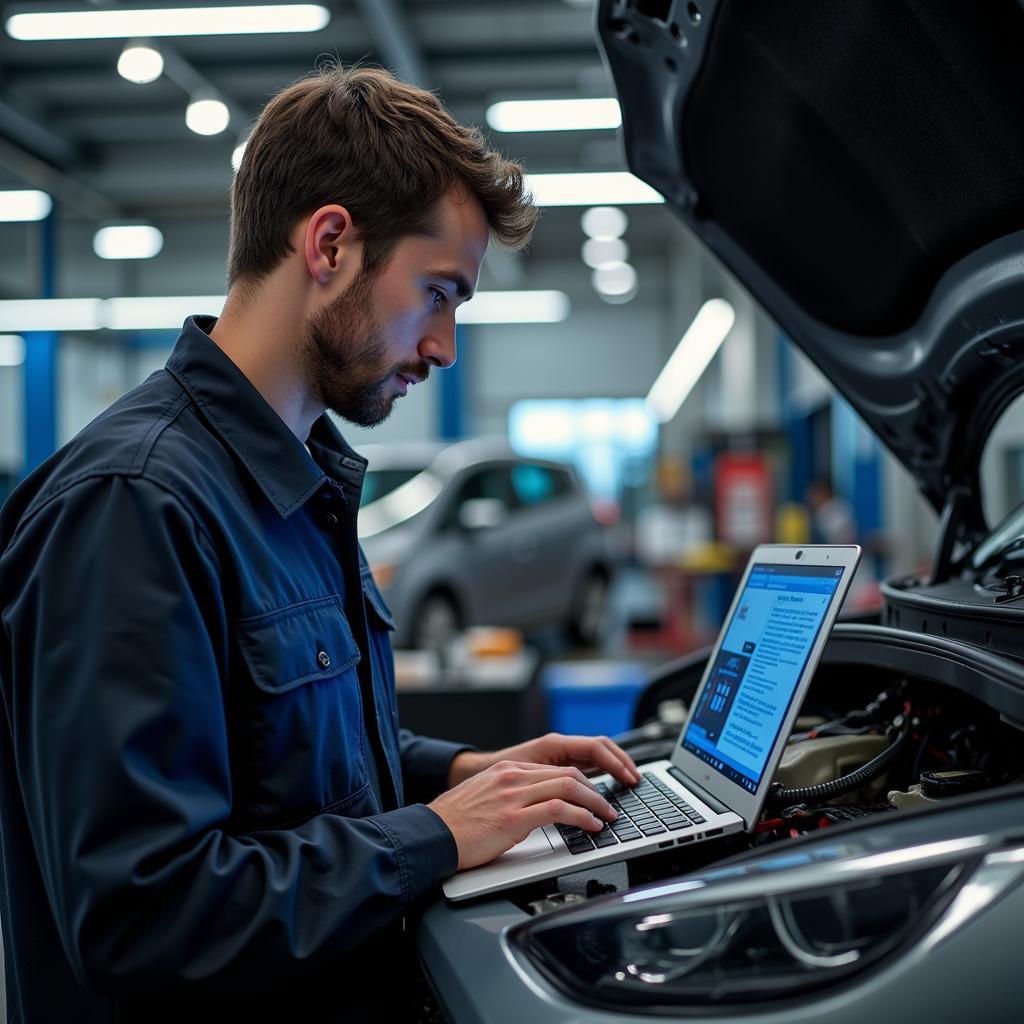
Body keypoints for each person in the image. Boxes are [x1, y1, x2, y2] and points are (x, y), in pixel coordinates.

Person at [0, 66, 640, 1022]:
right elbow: (144, 913)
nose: (445, 347)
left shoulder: (298, 485)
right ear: (331, 244)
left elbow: (277, 758)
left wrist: (461, 776)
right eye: (438, 294)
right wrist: (432, 835)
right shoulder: (133, 507)